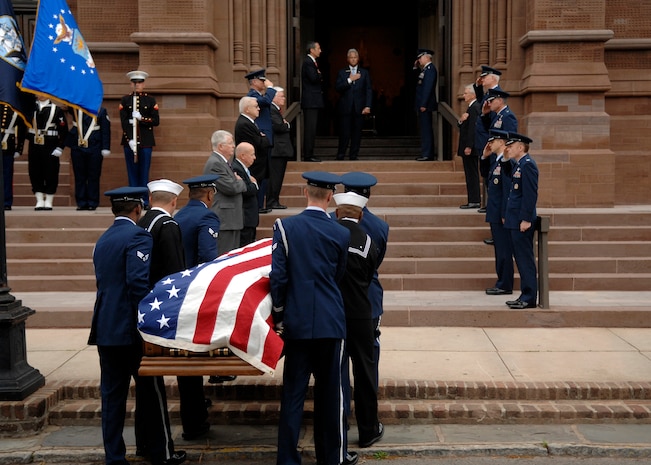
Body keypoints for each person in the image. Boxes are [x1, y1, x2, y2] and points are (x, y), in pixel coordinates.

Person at [88, 186, 186, 465]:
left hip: (105, 328)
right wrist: (149, 326)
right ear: (138, 209)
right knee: (152, 393)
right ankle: (161, 453)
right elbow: (137, 284)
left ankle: (115, 457)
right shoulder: (138, 236)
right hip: (132, 331)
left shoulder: (103, 239)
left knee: (111, 398)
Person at [270, 171, 358, 465]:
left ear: (304, 193)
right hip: (331, 321)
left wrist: (280, 316)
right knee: (331, 395)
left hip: (296, 321)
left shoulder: (284, 226)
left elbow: (279, 278)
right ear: (330, 197)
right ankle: (331, 457)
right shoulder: (341, 232)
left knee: (293, 394)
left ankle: (287, 458)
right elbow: (338, 274)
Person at [136, 179, 206, 455]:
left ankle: (145, 443)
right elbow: (176, 272)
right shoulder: (168, 226)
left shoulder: (140, 224)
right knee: (186, 368)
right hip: (165, 309)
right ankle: (194, 424)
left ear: (150, 199)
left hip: (143, 306)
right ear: (174, 202)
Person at [333, 190, 383, 449]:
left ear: (337, 213)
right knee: (364, 371)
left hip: (333, 313)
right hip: (361, 313)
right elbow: (371, 270)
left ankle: (338, 427)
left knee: (335, 372)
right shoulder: (367, 240)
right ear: (361, 215)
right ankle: (368, 429)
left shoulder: (328, 236)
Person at [339, 171, 389, 389]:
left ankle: (339, 417)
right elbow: (375, 263)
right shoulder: (379, 226)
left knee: (338, 359)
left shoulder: (332, 220)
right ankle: (369, 415)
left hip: (338, 296)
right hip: (367, 297)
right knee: (367, 360)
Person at [504, 132, 539, 310]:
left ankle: (529, 297)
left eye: (511, 146)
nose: (507, 148)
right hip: (514, 219)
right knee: (520, 258)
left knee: (525, 259)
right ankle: (524, 294)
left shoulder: (527, 166)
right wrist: (504, 156)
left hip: (521, 221)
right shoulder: (518, 165)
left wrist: (525, 219)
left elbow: (530, 195)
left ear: (520, 147)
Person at [480, 129, 514, 297]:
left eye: (492, 142)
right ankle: (501, 282)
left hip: (501, 214)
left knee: (504, 251)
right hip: (494, 212)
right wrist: (485, 157)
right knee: (499, 250)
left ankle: (505, 284)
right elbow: (485, 176)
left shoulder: (506, 162)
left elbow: (507, 190)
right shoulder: (496, 161)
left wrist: (504, 213)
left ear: (501, 143)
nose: (490, 144)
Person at [202, 129, 247, 255]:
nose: (234, 146)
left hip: (231, 219)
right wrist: (241, 181)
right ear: (221, 146)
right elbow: (231, 187)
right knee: (225, 255)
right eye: (230, 143)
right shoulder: (215, 164)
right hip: (225, 219)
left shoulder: (223, 162)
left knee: (232, 255)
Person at [119, 70, 159, 205]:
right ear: (131, 84)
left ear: (144, 84)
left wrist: (142, 119)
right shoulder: (125, 100)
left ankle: (145, 199)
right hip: (129, 141)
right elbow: (124, 122)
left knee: (144, 171)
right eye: (134, 82)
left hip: (145, 141)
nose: (137, 85)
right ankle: (134, 199)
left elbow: (156, 120)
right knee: (131, 171)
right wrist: (129, 138)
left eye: (140, 82)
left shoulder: (150, 100)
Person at [26, 96, 68, 211]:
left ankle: (49, 200)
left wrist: (60, 147)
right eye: (39, 92)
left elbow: (64, 131)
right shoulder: (30, 108)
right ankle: (39, 199)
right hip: (35, 145)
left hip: (50, 145)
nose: (41, 95)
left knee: (51, 172)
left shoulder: (56, 109)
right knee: (35, 171)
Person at [66, 107, 111, 210]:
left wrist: (105, 147)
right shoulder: (75, 108)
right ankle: (81, 202)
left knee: (93, 176)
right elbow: (66, 103)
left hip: (95, 146)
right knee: (79, 176)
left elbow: (105, 129)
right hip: (77, 147)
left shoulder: (100, 110)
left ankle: (92, 202)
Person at [245, 68, 276, 210]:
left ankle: (260, 204)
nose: (264, 83)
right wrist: (271, 88)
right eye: (262, 80)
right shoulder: (252, 96)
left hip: (265, 140)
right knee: (260, 173)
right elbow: (266, 101)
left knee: (264, 174)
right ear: (255, 81)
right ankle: (257, 205)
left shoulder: (258, 95)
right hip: (260, 140)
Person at [234, 96, 271, 214]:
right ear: (247, 109)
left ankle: (259, 206)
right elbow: (260, 143)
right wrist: (263, 138)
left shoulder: (251, 122)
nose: (259, 109)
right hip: (254, 165)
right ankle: (257, 208)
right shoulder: (244, 123)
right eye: (256, 106)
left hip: (258, 164)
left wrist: (262, 137)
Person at [174, 174, 221, 268]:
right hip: (195, 274)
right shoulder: (208, 216)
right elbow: (207, 254)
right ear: (210, 195)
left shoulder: (179, 214)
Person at [473, 66, 502, 214]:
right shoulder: (488, 93)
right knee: (486, 173)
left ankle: (492, 206)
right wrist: (478, 86)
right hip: (484, 140)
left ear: (493, 78)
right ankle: (489, 204)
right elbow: (480, 102)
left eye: (485, 77)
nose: (482, 79)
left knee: (492, 175)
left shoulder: (496, 94)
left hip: (489, 141)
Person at [335, 48, 372, 161]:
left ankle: (353, 156)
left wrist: (368, 106)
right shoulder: (342, 72)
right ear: (347, 59)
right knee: (344, 133)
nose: (353, 59)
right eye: (351, 57)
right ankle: (341, 156)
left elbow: (368, 90)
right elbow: (338, 88)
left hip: (359, 108)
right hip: (345, 108)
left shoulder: (364, 73)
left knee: (357, 134)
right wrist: (349, 80)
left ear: (358, 58)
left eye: (355, 57)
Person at [267, 87, 292, 210]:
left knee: (278, 177)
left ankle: (274, 199)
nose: (284, 98)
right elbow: (279, 126)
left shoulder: (276, 110)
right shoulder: (272, 109)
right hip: (277, 149)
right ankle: (272, 201)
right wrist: (286, 124)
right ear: (274, 97)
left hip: (280, 150)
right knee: (275, 177)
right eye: (281, 96)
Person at [457, 85, 481, 209]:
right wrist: (461, 120)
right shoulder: (470, 108)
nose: (464, 95)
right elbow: (464, 126)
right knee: (469, 174)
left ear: (473, 94)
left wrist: (469, 146)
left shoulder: (474, 108)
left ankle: (474, 200)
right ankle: (473, 199)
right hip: (468, 146)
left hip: (470, 148)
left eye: (466, 93)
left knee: (472, 174)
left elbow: (473, 129)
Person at [232, 142, 259, 246]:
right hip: (245, 218)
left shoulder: (243, 168)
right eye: (252, 154)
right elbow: (246, 190)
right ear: (243, 155)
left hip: (250, 218)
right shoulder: (236, 168)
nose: (255, 157)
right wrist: (254, 184)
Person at [300, 41, 324, 163]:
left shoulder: (312, 62)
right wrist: (319, 75)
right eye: (318, 48)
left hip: (313, 101)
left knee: (312, 128)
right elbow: (314, 78)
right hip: (311, 101)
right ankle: (308, 155)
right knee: (310, 129)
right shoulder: (308, 63)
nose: (320, 50)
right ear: (312, 50)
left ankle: (310, 153)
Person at [413, 48, 438, 161]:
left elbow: (428, 88)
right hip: (422, 104)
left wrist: (423, 104)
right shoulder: (424, 70)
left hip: (425, 105)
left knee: (426, 129)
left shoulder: (430, 69)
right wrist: (415, 67)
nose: (419, 60)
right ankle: (425, 153)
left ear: (426, 57)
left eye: (420, 58)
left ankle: (427, 154)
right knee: (423, 129)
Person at [1, 103, 26, 210]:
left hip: (8, 144)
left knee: (7, 174)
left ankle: (6, 201)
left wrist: (19, 149)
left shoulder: (15, 107)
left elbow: (21, 129)